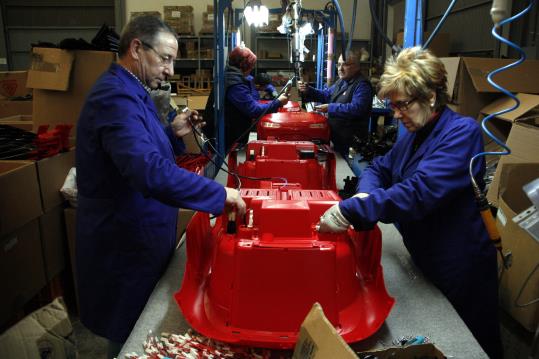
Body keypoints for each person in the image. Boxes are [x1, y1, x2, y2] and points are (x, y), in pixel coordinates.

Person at [75, 15, 246, 359]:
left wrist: (173, 133)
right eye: (165, 58)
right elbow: (146, 171)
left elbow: (139, 151)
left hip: (142, 235)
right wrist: (218, 194)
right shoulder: (115, 98)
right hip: (124, 243)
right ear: (136, 48)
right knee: (130, 339)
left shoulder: (134, 92)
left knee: (143, 328)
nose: (170, 70)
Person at [317, 47, 502, 358]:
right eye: (393, 105)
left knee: (469, 345)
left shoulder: (461, 134)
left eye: (402, 104)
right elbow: (379, 168)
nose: (397, 114)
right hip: (423, 254)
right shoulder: (412, 133)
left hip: (458, 265)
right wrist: (365, 193)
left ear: (430, 96)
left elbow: (419, 193)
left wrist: (352, 208)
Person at [297, 49, 372, 158]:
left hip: (352, 143)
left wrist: (330, 107)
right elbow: (325, 95)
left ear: (356, 67)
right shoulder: (341, 82)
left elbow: (357, 108)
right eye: (339, 64)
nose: (340, 68)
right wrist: (308, 89)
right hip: (337, 139)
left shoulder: (362, 85)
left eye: (345, 65)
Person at [224, 46, 288, 151]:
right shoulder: (235, 84)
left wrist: (275, 94)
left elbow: (265, 86)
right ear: (243, 66)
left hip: (234, 132)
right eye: (251, 67)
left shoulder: (240, 77)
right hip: (230, 134)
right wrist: (278, 102)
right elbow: (253, 110)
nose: (251, 70)